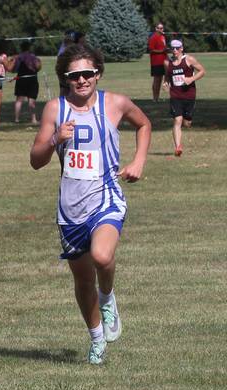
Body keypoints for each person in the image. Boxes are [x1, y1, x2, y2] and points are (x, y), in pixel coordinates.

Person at [29, 44, 150, 365]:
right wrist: (55, 138)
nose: (82, 80)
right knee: (82, 281)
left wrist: (138, 161)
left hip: (106, 197)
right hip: (70, 209)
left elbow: (144, 124)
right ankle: (96, 339)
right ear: (65, 78)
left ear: (98, 73)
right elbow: (35, 160)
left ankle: (108, 297)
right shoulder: (55, 110)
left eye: (88, 73)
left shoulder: (115, 103)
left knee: (101, 255)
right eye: (75, 75)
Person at [163, 39, 205, 157]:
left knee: (187, 123)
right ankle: (178, 147)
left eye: (177, 48)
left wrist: (191, 79)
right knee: (177, 120)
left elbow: (202, 71)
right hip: (175, 95)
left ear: (182, 48)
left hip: (189, 95)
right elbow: (167, 75)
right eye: (172, 48)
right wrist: (165, 82)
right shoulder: (167, 62)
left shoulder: (189, 59)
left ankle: (188, 121)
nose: (174, 50)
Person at [12, 41, 42, 124]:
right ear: (29, 48)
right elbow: (38, 67)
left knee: (19, 100)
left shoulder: (19, 57)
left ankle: (16, 119)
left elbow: (15, 69)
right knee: (31, 100)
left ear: (21, 48)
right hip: (32, 79)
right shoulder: (33, 57)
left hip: (21, 80)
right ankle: (33, 119)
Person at [148, 23, 167, 102]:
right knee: (156, 80)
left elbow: (163, 48)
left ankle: (157, 97)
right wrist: (161, 51)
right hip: (156, 62)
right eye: (159, 28)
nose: (161, 29)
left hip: (163, 61)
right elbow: (151, 49)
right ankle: (154, 98)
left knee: (160, 79)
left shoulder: (162, 37)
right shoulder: (153, 37)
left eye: (162, 28)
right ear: (156, 28)